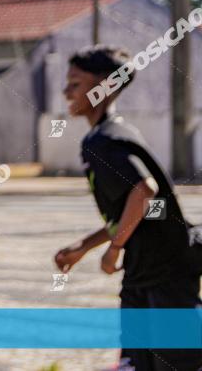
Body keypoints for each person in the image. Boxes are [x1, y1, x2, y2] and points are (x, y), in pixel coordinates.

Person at [53, 45, 200, 371]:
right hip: (143, 274)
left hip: (166, 274)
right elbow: (143, 210)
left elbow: (144, 190)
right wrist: (84, 246)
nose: (66, 92)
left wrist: (114, 248)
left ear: (104, 86)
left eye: (75, 84)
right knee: (135, 364)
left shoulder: (106, 140)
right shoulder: (109, 136)